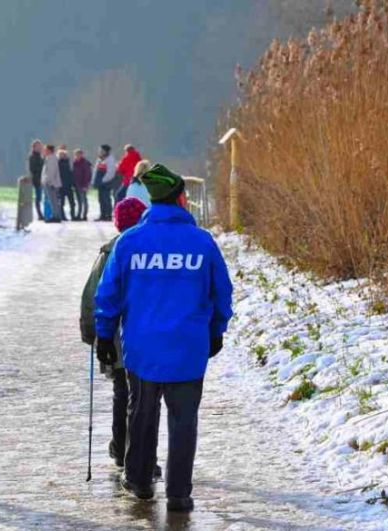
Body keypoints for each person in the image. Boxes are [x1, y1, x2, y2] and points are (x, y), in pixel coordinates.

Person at [94, 164, 233, 512]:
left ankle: (140, 482)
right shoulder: (202, 243)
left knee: (142, 415)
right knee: (184, 421)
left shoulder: (129, 243)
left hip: (142, 350)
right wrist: (215, 332)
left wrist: (104, 337)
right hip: (188, 349)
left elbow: (107, 295)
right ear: (182, 199)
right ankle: (179, 493)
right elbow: (222, 294)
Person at [80, 197, 153, 472]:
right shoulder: (148, 252)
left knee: (121, 391)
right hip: (141, 335)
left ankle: (121, 448)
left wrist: (90, 332)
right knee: (143, 395)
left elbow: (91, 296)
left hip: (114, 335)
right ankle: (140, 453)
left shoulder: (108, 252)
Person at [93, 145, 117, 222]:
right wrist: (94, 181)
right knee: (101, 199)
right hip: (100, 183)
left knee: (106, 199)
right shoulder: (99, 159)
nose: (100, 152)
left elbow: (111, 172)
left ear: (106, 151)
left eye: (101, 150)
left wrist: (103, 180)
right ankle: (102, 214)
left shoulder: (110, 159)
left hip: (106, 183)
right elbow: (95, 171)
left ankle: (108, 215)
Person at [41, 144, 62, 222]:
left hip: (51, 183)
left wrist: (49, 181)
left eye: (45, 149)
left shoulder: (52, 158)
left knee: (53, 200)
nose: (44, 151)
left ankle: (56, 216)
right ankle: (55, 215)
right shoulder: (48, 158)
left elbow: (52, 171)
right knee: (52, 200)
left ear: (49, 150)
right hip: (49, 182)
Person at [57, 147, 77, 221]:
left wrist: (73, 184)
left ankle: (73, 215)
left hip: (68, 185)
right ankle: (62, 216)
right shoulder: (58, 163)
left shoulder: (69, 163)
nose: (63, 156)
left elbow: (72, 174)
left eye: (64, 154)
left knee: (72, 202)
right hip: (61, 186)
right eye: (61, 154)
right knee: (62, 203)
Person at [72, 149, 92, 221]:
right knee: (79, 201)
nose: (77, 156)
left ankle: (84, 215)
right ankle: (79, 215)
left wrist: (85, 185)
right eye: (76, 155)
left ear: (81, 155)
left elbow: (88, 175)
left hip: (83, 184)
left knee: (84, 200)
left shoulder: (85, 163)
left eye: (78, 154)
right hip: (76, 184)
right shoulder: (74, 163)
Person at [28, 140, 44, 220]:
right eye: (37, 146)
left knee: (41, 198)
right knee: (38, 198)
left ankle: (43, 213)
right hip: (37, 180)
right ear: (33, 148)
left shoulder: (41, 157)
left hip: (43, 179)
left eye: (40, 146)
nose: (39, 148)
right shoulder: (32, 157)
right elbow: (32, 169)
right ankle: (39, 214)